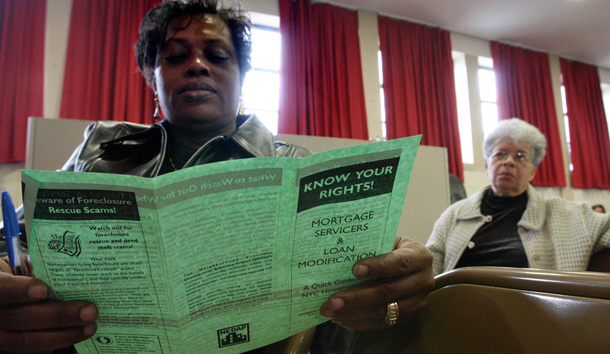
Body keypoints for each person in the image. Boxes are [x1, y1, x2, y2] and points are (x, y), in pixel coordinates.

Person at [0, 1, 434, 353]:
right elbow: (12, 241)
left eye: (217, 54)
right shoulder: (98, 152)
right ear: (153, 77)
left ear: (241, 75)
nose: (196, 65)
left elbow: (348, 288)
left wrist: (389, 290)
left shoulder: (291, 166)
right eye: (175, 55)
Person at [427, 118, 610, 276]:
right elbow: (429, 268)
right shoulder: (454, 215)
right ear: (487, 165)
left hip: (535, 314)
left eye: (521, 156)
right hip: (458, 311)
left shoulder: (566, 214)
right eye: (501, 154)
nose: (509, 161)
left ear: (533, 172)